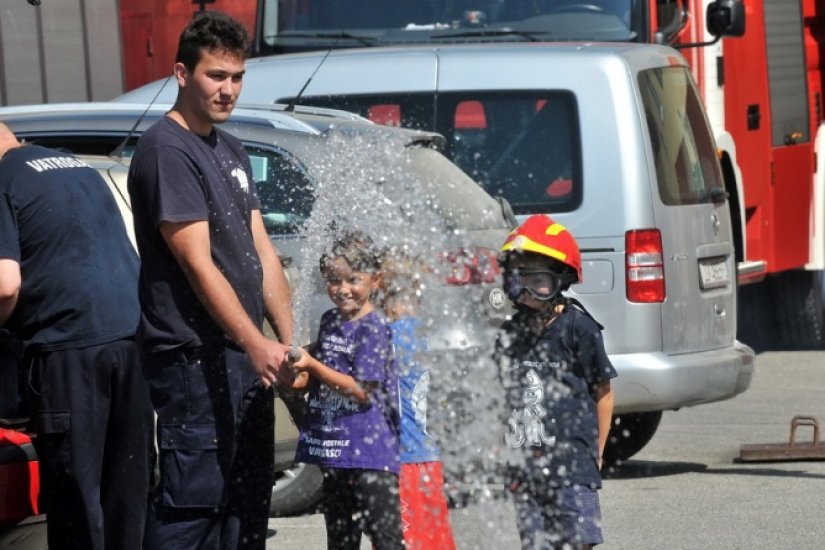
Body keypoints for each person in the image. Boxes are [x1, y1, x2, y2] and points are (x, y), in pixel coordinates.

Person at [126, 11, 294, 549]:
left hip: (244, 364)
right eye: (215, 76)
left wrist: (285, 345)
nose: (228, 90)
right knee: (193, 513)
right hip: (194, 364)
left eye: (236, 77)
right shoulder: (165, 151)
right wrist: (254, 341)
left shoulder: (230, 147)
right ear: (181, 74)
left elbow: (261, 251)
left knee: (245, 514)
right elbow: (198, 264)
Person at [0, 122, 153, 550]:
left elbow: (5, 285)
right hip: (131, 339)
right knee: (127, 492)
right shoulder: (76, 165)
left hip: (69, 349)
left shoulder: (4, 180)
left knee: (77, 499)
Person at [495, 214, 616, 550]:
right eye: (518, 280)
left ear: (561, 280)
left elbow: (603, 394)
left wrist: (598, 452)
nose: (527, 291)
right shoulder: (510, 333)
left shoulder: (580, 329)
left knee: (578, 543)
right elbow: (500, 393)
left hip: (573, 465)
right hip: (526, 468)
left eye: (539, 281)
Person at [287, 230, 404, 550]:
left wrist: (312, 366)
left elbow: (362, 390)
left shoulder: (373, 328)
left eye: (353, 279)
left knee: (386, 538)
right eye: (334, 280)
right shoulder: (329, 320)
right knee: (340, 538)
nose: (342, 289)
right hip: (335, 450)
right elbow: (325, 358)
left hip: (370, 455)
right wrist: (298, 366)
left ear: (375, 280)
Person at [380, 251, 456, 550]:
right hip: (429, 456)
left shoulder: (389, 336)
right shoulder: (430, 335)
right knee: (435, 537)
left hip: (403, 458)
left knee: (403, 540)